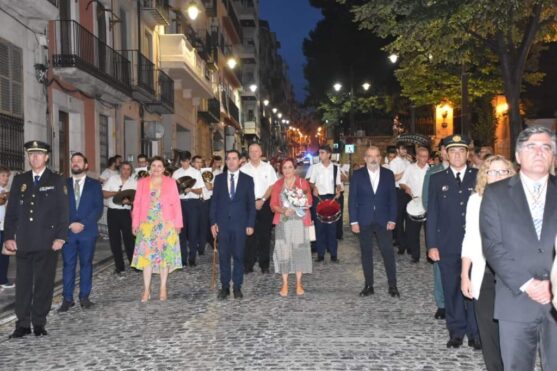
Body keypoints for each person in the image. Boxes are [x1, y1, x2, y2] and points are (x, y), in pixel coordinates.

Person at [480, 126, 557, 370]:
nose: (539, 152)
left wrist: (552, 285)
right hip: (515, 298)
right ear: (517, 156)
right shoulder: (496, 193)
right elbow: (492, 246)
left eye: (546, 147)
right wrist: (529, 284)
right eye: (531, 147)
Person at [4, 141, 68, 338]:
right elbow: (12, 211)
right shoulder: (20, 179)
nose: (34, 158)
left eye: (39, 154)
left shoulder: (56, 179)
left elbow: (63, 212)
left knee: (44, 283)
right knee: (23, 284)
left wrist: (60, 237)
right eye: (31, 155)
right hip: (23, 240)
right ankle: (22, 323)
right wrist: (8, 237)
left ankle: (39, 322)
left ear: (46, 157)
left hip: (47, 241)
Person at [461, 155, 514, 371]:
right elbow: (471, 237)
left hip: (511, 276)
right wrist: (465, 274)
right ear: (485, 175)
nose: (499, 175)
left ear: (511, 174)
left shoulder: (519, 200)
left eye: (504, 171)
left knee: (510, 332)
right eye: (493, 171)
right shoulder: (476, 200)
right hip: (484, 274)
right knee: (487, 330)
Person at [427, 135, 480, 349]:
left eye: (461, 151)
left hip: (475, 245)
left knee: (474, 289)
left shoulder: (478, 177)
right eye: (453, 151)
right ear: (446, 155)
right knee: (452, 289)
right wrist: (432, 244)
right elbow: (433, 214)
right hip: (447, 244)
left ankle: (475, 333)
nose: (457, 155)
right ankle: (456, 331)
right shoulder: (437, 179)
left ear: (468, 154)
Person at [349, 146, 399, 298]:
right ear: (365, 158)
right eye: (370, 156)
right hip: (364, 219)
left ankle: (392, 285)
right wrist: (353, 221)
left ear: (380, 158)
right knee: (366, 253)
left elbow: (393, 199)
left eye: (376, 156)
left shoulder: (388, 174)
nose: (373, 159)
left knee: (388, 253)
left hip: (384, 220)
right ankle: (369, 285)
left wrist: (392, 218)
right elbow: (352, 200)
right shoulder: (357, 175)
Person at [131, 156, 182, 302]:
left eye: (159, 166)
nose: (156, 168)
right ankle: (146, 289)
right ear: (149, 167)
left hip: (166, 224)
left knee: (164, 258)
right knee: (147, 258)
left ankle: (163, 287)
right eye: (153, 165)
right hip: (147, 225)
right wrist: (135, 224)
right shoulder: (142, 183)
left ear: (164, 169)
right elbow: (137, 204)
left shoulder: (171, 182)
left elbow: (176, 204)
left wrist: (178, 224)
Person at [58, 153, 103, 312]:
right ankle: (67, 299)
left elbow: (98, 209)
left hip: (87, 231)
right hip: (68, 232)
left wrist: (82, 224)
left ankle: (84, 297)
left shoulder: (95, 185)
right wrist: (70, 223)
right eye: (73, 161)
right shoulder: (63, 183)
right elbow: (59, 208)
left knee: (86, 265)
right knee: (68, 265)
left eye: (79, 161)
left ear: (86, 165)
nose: (75, 163)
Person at [210, 150, 256, 300]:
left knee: (238, 256)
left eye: (234, 159)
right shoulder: (219, 179)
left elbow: (251, 204)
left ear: (239, 161)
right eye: (228, 159)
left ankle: (237, 286)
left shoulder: (247, 180)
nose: (231, 161)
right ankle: (224, 287)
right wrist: (213, 223)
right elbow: (214, 203)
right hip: (222, 225)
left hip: (240, 225)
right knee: (223, 257)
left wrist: (250, 223)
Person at [270, 158, 313, 296]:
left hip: (299, 221)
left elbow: (309, 201)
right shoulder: (278, 184)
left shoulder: (302, 183)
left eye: (290, 167)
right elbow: (273, 204)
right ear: (281, 170)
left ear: (295, 169)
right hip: (283, 221)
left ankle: (299, 283)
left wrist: (297, 208)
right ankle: (285, 284)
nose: (287, 170)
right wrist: (283, 211)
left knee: (299, 251)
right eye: (284, 168)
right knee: (284, 252)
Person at [241, 143, 278, 274]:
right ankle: (248, 264)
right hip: (248, 205)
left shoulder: (268, 168)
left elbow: (272, 186)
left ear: (261, 152)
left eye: (256, 151)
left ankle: (264, 264)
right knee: (248, 235)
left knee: (265, 235)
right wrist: (252, 203)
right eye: (251, 151)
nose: (254, 154)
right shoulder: (243, 169)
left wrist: (262, 200)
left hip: (264, 204)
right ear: (248, 153)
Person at [422, 140, 448, 320]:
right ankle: (442, 303)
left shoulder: (472, 173)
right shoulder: (433, 173)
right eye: (447, 149)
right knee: (440, 268)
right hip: (442, 227)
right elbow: (426, 200)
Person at [103, 161, 137, 277]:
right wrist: (116, 193)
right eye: (124, 169)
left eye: (128, 169)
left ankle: (134, 264)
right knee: (114, 240)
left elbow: (137, 198)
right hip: (113, 213)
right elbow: (104, 193)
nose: (126, 171)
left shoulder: (134, 182)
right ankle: (119, 266)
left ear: (130, 171)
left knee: (130, 239)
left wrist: (130, 201)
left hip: (126, 213)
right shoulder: (112, 179)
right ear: (120, 170)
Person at [309, 145, 342, 262]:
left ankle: (333, 254)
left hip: (331, 198)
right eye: (320, 153)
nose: (320, 155)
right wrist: (314, 188)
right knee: (320, 227)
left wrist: (338, 189)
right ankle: (320, 254)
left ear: (329, 154)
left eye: (322, 153)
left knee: (332, 227)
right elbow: (311, 182)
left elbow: (338, 183)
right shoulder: (315, 168)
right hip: (319, 198)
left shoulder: (336, 168)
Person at [172, 151, 204, 267]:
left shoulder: (196, 173)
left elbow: (200, 190)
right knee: (181, 231)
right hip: (180, 203)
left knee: (193, 231)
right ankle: (183, 258)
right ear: (180, 161)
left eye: (186, 161)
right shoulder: (176, 173)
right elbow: (172, 191)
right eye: (182, 161)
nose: (184, 163)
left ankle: (192, 258)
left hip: (193, 203)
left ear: (190, 161)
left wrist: (191, 190)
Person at [399, 147, 430, 263]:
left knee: (429, 231)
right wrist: (406, 188)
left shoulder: (431, 169)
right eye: (421, 156)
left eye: (426, 156)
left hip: (428, 203)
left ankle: (429, 255)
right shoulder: (410, 168)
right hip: (414, 201)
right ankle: (415, 255)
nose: (423, 159)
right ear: (416, 156)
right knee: (413, 231)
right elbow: (401, 182)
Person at [388, 142, 411, 253]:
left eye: (405, 149)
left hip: (409, 192)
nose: (404, 151)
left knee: (410, 220)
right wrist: (406, 171)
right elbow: (393, 178)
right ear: (397, 150)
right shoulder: (394, 163)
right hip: (399, 192)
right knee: (399, 219)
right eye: (402, 149)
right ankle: (401, 245)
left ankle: (409, 244)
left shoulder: (408, 162)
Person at [192, 155, 211, 255]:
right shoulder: (191, 173)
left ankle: (202, 247)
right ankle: (194, 246)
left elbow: (210, 187)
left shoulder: (206, 172)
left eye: (200, 162)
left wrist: (205, 180)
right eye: (197, 162)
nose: (199, 164)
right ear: (193, 163)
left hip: (205, 201)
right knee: (194, 225)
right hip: (195, 201)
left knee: (204, 225)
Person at [0, 166, 14, 289]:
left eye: (7, 176)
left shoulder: (5, 190)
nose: (6, 178)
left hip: (4, 227)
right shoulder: (3, 192)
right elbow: (1, 201)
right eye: (3, 175)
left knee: (5, 254)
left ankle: (3, 279)